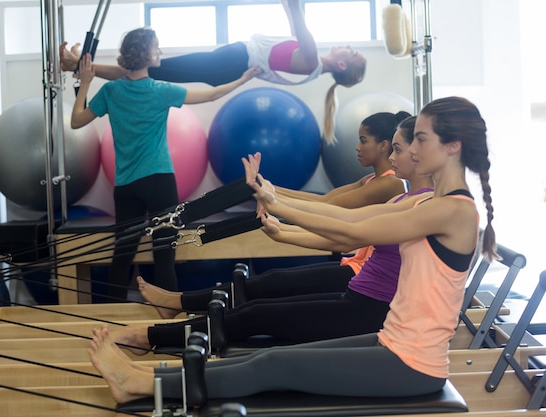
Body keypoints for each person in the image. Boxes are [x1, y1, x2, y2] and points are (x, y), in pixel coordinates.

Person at [88, 96, 496, 403]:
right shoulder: (423, 202)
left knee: (274, 364)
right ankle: (150, 374)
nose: (409, 148)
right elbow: (349, 222)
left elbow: (357, 226)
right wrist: (277, 204)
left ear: (452, 146)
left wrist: (279, 206)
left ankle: (139, 383)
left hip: (414, 364)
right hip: (391, 341)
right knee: (268, 356)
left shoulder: (456, 212)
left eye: (421, 139)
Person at [137, 111, 411, 319]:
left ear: (384, 146)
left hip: (361, 271)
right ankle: (177, 303)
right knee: (268, 283)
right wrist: (266, 187)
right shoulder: (371, 180)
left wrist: (272, 200)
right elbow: (325, 199)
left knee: (269, 286)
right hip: (354, 265)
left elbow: (334, 210)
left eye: (363, 141)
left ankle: (178, 303)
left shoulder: (391, 184)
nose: (357, 147)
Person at [71, 27, 260, 301]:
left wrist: (86, 82)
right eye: (156, 47)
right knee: (164, 252)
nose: (160, 52)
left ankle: (109, 316)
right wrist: (242, 80)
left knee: (122, 253)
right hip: (159, 180)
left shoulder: (111, 90)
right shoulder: (161, 91)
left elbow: (76, 120)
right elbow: (212, 94)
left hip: (125, 186)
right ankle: (170, 317)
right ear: (145, 54)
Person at [61, 0, 366, 143]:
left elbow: (294, 8)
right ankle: (77, 64)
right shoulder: (311, 65)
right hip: (231, 62)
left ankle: (76, 64)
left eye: (349, 53)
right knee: (151, 71)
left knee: (149, 68)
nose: (346, 46)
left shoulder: (312, 58)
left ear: (341, 65)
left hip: (233, 61)